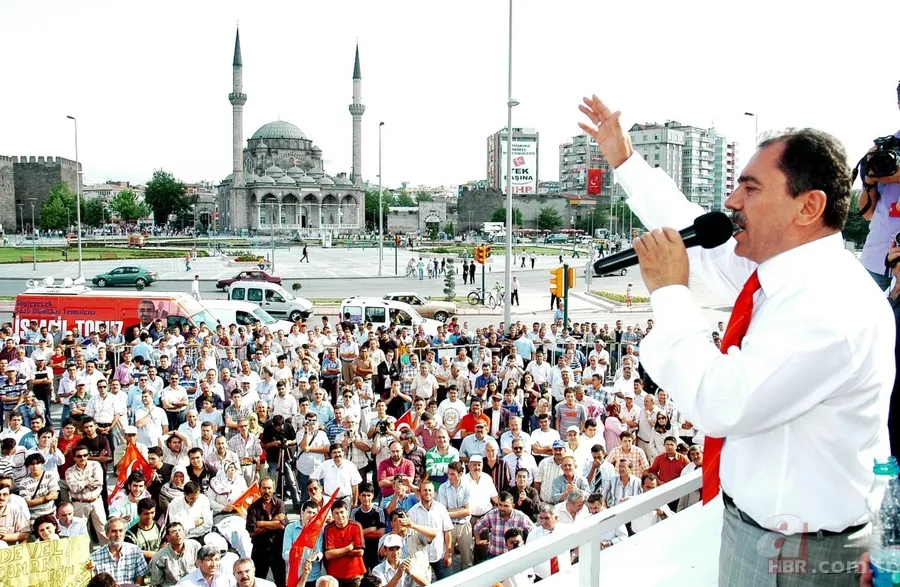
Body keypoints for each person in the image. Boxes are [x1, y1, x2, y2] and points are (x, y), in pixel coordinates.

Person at [579, 95, 893, 586]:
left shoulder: (831, 305)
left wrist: (669, 293)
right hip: (758, 534)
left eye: (750, 188)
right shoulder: (779, 277)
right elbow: (696, 238)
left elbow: (722, 402)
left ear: (808, 206)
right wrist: (624, 160)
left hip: (801, 556)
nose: (731, 203)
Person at [246, 477, 287, 586]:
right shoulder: (253, 508)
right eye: (264, 488)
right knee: (258, 581)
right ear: (259, 489)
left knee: (281, 582)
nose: (266, 491)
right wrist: (273, 522)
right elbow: (252, 532)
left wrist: (260, 523)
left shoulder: (280, 504)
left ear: (273, 489)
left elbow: (281, 526)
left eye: (269, 488)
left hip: (277, 549)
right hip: (260, 551)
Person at [90, 517, 149, 585]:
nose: (118, 535)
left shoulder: (135, 551)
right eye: (114, 531)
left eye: (120, 531)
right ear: (107, 534)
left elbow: (140, 578)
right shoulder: (95, 557)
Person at [323, 499, 367, 586]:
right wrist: (349, 548)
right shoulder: (329, 528)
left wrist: (337, 553)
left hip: (355, 574)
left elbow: (360, 552)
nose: (340, 516)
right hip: (335, 575)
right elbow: (328, 555)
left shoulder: (356, 526)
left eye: (342, 512)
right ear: (332, 515)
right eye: (336, 513)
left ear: (347, 512)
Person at [149, 521, 202, 587]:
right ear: (168, 537)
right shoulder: (159, 558)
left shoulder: (195, 546)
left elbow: (203, 569)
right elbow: (156, 583)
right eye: (174, 532)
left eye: (180, 530)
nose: (178, 534)